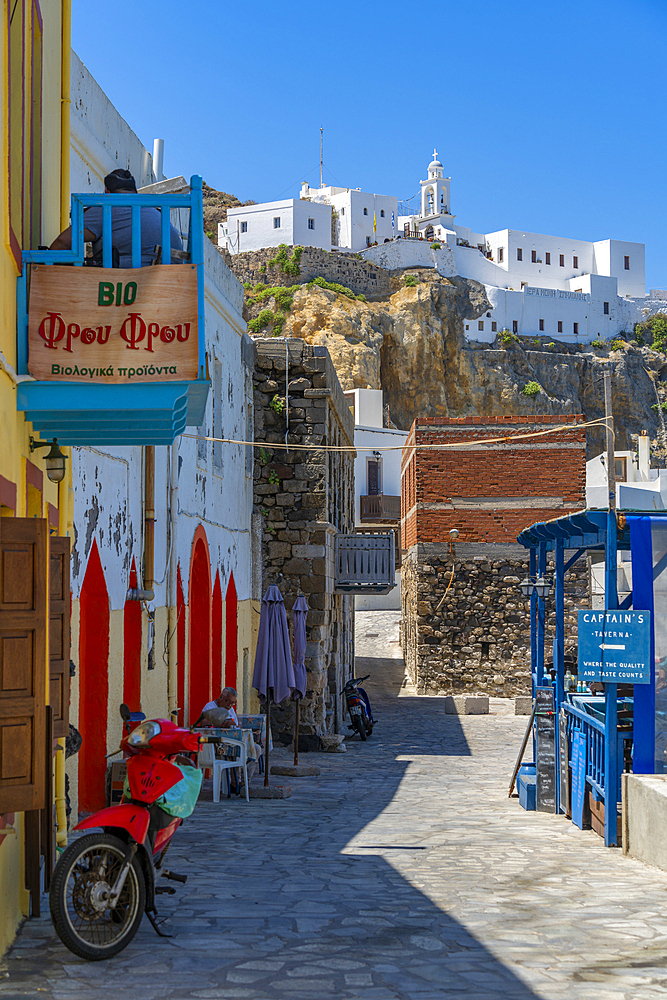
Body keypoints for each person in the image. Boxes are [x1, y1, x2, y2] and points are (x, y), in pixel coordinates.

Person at [50, 168, 183, 267]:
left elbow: (63, 242)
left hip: (130, 281)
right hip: (173, 278)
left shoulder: (106, 207)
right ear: (134, 191)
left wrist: (45, 266)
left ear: (107, 191)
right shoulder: (154, 211)